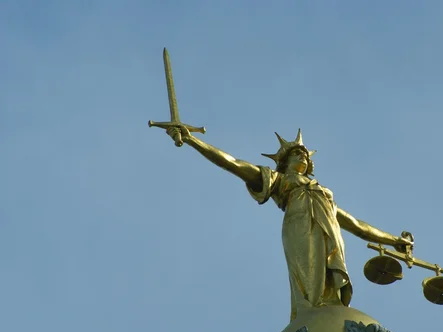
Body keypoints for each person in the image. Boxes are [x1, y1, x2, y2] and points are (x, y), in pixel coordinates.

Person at [165, 126, 413, 321]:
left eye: (305, 154)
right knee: (307, 277)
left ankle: (331, 307)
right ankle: (309, 314)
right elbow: (233, 163)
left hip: (330, 233)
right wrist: (192, 140)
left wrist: (394, 241)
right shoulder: (279, 180)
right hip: (300, 228)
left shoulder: (323, 193)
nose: (302, 157)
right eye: (297, 153)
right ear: (284, 161)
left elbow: (357, 225)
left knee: (329, 278)